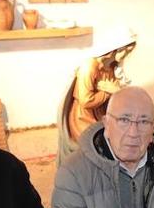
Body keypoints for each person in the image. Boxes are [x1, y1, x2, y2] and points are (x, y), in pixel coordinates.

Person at [57, 28, 136, 164]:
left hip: (102, 114)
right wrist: (107, 92)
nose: (125, 56)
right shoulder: (89, 67)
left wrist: (116, 91)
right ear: (115, 48)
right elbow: (85, 101)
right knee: (105, 144)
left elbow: (117, 92)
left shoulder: (111, 67)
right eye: (124, 51)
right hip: (84, 118)